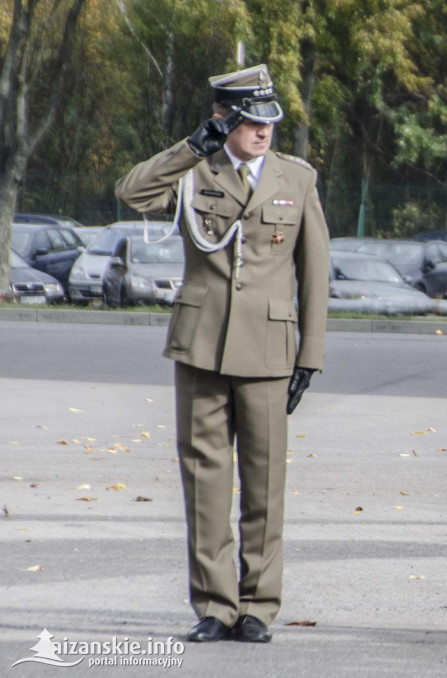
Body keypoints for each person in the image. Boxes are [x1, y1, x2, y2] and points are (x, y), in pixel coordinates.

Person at [115, 64, 329, 644]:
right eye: (249, 121)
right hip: (203, 344)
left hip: (268, 347)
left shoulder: (297, 178)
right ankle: (215, 603)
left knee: (263, 484)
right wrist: (189, 149)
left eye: (268, 122)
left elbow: (314, 272)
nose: (262, 132)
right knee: (205, 479)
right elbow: (131, 192)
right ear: (222, 120)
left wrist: (310, 354)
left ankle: (258, 604)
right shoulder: (194, 171)